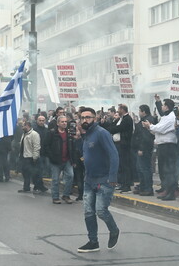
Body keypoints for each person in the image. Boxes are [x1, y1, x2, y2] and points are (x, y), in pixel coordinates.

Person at [77, 107, 120, 253]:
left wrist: (113, 176)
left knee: (101, 211)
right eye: (82, 118)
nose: (85, 120)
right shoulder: (86, 134)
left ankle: (114, 230)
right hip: (89, 180)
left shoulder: (102, 133)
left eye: (88, 117)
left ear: (94, 118)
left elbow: (114, 154)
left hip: (104, 179)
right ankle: (93, 241)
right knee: (88, 212)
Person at [142, 98, 179, 201]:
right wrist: (149, 128)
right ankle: (167, 189)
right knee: (163, 169)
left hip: (168, 146)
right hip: (162, 145)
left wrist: (150, 126)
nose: (161, 107)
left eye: (163, 105)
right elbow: (157, 129)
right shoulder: (165, 117)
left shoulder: (171, 117)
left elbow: (161, 129)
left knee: (169, 170)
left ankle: (171, 192)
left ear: (167, 106)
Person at [45, 115, 75, 204]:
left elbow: (72, 147)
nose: (64, 123)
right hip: (55, 161)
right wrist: (52, 157)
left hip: (67, 160)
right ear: (58, 123)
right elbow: (46, 146)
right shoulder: (52, 133)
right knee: (55, 179)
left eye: (66, 121)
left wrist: (73, 160)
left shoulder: (69, 133)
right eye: (62, 122)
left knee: (70, 176)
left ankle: (66, 195)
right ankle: (55, 197)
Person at [109, 104, 134, 193]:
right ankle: (122, 183)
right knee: (120, 165)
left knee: (125, 165)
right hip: (118, 145)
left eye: (118, 109)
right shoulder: (121, 118)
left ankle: (126, 185)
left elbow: (118, 128)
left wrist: (112, 129)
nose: (117, 111)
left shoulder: (127, 119)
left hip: (124, 145)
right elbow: (112, 127)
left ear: (122, 109)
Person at [132, 105, 156, 196]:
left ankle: (147, 188)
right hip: (142, 148)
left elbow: (145, 136)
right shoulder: (144, 120)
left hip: (144, 149)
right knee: (140, 168)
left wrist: (141, 148)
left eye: (139, 111)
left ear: (144, 112)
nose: (139, 112)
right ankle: (142, 186)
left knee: (144, 169)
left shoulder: (147, 120)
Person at [18, 121, 40, 193]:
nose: (22, 127)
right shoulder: (24, 134)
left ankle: (37, 187)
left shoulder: (34, 134)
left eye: (23, 126)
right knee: (25, 173)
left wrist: (35, 157)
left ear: (27, 126)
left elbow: (36, 146)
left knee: (33, 173)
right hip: (24, 156)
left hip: (30, 157)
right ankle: (26, 187)